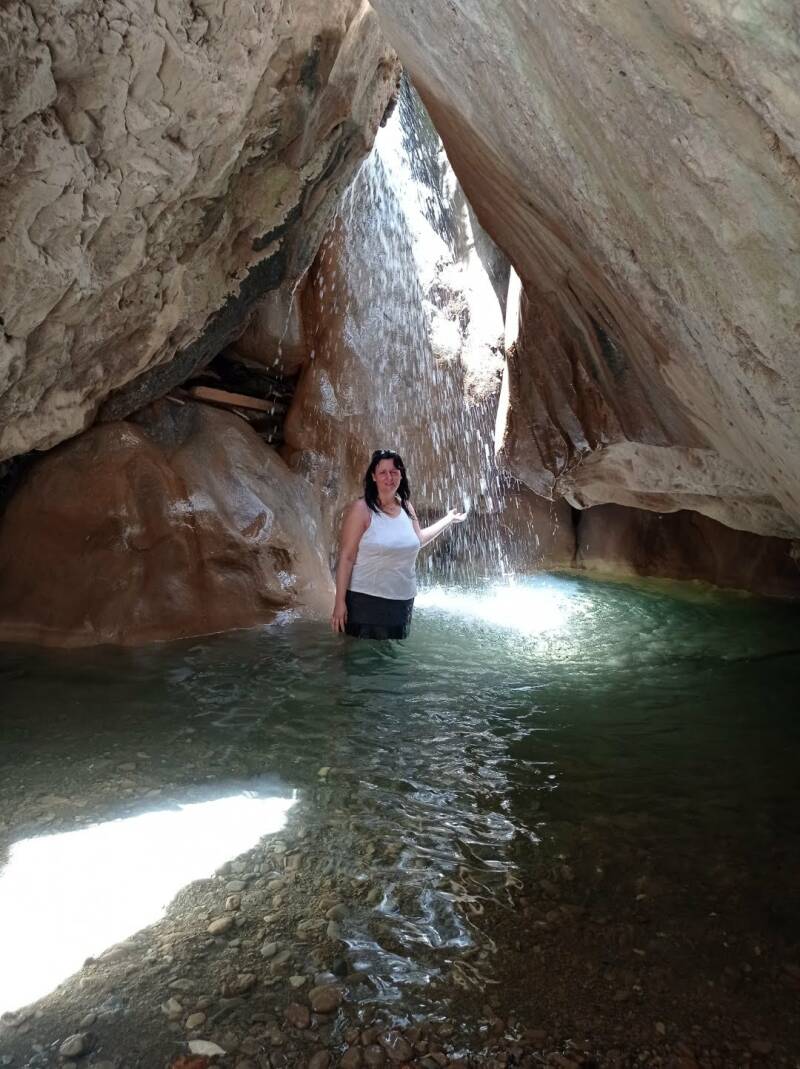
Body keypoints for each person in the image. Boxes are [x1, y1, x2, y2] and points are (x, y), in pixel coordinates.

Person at [330, 449, 467, 640]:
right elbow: (346, 557)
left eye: (394, 472)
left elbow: (417, 540)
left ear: (401, 475)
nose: (389, 477)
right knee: (361, 663)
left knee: (392, 664)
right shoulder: (362, 510)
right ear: (373, 477)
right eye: (383, 472)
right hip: (366, 601)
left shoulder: (405, 507)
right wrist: (339, 602)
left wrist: (448, 520)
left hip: (402, 602)